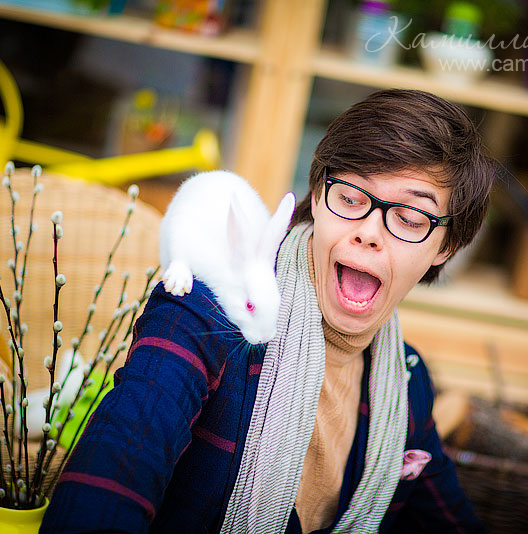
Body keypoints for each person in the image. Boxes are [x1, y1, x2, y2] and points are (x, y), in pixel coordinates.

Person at [41, 88, 494, 533]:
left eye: (410, 218)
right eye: (351, 197)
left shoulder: (406, 383)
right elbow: (113, 472)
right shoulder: (207, 315)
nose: (369, 232)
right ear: (316, 194)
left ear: (447, 246)